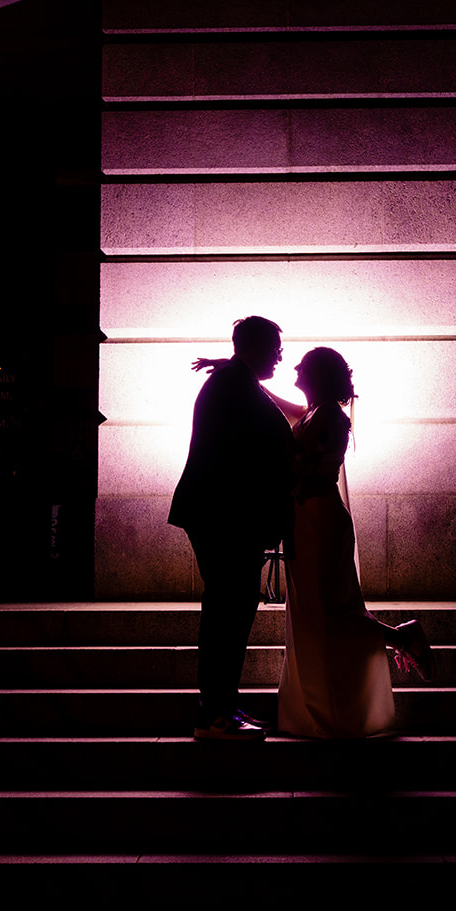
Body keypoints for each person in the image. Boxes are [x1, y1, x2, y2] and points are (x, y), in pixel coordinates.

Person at [273, 347, 433, 739]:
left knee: (333, 610)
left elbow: (309, 472)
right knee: (315, 613)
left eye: (303, 365)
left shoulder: (330, 417)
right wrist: (241, 374)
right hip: (306, 520)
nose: (294, 368)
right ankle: (326, 704)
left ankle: (400, 636)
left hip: (321, 521)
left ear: (317, 375)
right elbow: (283, 408)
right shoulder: (315, 412)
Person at [168, 316, 295, 741]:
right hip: (225, 519)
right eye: (276, 347)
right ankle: (215, 715)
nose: (281, 355)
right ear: (256, 347)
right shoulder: (234, 384)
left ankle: (221, 706)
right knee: (228, 613)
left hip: (223, 517)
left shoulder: (237, 380)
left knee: (229, 611)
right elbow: (263, 448)